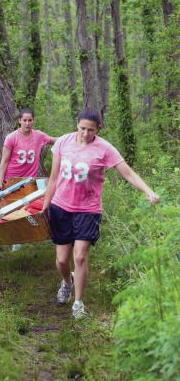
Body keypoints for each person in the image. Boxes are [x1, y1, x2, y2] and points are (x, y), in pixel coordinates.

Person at [42, 108, 159, 319]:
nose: (86, 133)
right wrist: (46, 204)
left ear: (98, 129)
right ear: (76, 124)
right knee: (61, 260)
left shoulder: (105, 149)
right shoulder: (63, 143)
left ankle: (78, 303)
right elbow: (53, 178)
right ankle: (67, 282)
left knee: (79, 256)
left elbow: (128, 173)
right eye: (82, 128)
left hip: (88, 210)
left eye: (91, 130)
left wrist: (148, 190)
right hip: (60, 207)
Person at [0, 108, 57, 251]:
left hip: (30, 180)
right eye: (24, 120)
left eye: (30, 120)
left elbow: (55, 140)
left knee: (33, 208)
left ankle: (47, 234)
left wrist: (76, 137)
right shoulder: (12, 137)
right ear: (19, 121)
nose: (27, 123)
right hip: (13, 180)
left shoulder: (39, 136)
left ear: (33, 120)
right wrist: (0, 182)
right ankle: (15, 240)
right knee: (14, 211)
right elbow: (4, 161)